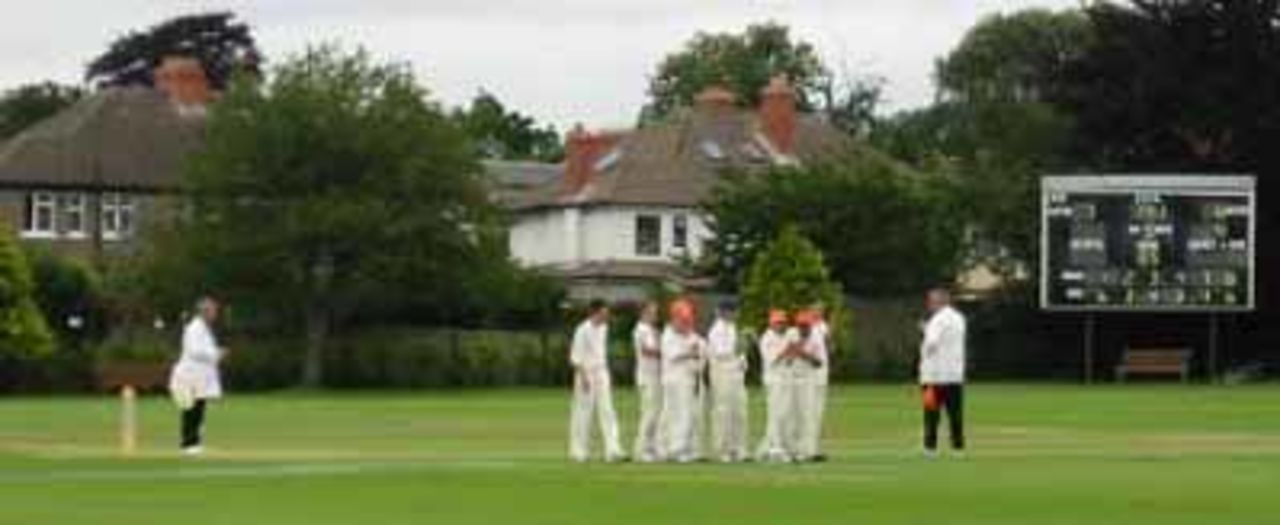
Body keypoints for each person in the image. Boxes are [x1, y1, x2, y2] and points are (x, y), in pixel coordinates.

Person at [168, 296, 229, 456]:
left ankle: (194, 443)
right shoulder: (194, 328)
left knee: (198, 409)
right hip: (189, 376)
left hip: (199, 377)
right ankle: (188, 444)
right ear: (204, 312)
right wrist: (215, 353)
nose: (216, 314)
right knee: (191, 410)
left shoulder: (203, 328)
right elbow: (195, 351)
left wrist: (216, 353)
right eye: (213, 311)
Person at [569, 299, 625, 463]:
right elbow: (575, 357)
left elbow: (600, 353)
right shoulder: (582, 330)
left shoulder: (604, 328)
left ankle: (613, 449)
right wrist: (584, 377)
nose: (605, 317)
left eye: (606, 314)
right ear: (593, 312)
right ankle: (579, 451)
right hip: (585, 373)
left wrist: (605, 375)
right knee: (583, 413)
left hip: (601, 372)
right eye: (602, 314)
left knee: (608, 410)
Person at [919, 288, 967, 457]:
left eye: (931, 301)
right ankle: (958, 447)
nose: (929, 305)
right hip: (954, 374)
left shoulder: (937, 320)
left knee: (931, 412)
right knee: (955, 413)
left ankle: (930, 447)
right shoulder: (960, 318)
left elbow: (932, 342)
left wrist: (925, 331)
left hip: (933, 376)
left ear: (937, 302)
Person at [660, 299, 707, 463]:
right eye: (682, 320)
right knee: (677, 415)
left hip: (690, 380)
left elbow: (701, 357)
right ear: (674, 318)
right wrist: (690, 352)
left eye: (688, 320)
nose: (686, 324)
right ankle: (674, 449)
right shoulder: (667, 335)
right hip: (674, 380)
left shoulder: (694, 337)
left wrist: (694, 357)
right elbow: (673, 356)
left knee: (690, 415)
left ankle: (687, 448)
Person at [707, 300, 748, 462]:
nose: (736, 314)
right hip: (722, 373)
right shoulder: (715, 330)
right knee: (723, 412)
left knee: (739, 411)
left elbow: (740, 353)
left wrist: (743, 360)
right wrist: (740, 345)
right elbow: (722, 353)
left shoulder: (732, 327)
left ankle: (738, 448)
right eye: (733, 311)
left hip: (736, 374)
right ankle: (722, 450)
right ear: (724, 312)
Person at [756, 309, 799, 462]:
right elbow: (772, 360)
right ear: (771, 323)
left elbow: (789, 360)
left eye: (783, 322)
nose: (781, 325)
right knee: (776, 414)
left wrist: (792, 353)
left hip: (786, 379)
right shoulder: (767, 338)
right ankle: (775, 448)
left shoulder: (786, 336)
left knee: (785, 414)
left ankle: (765, 449)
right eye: (778, 323)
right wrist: (787, 350)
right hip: (773, 381)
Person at [794, 310, 829, 462]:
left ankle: (811, 450)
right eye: (801, 326)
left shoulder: (816, 338)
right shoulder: (793, 336)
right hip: (795, 382)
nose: (803, 329)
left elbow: (818, 362)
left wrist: (803, 353)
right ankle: (799, 450)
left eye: (806, 326)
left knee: (813, 416)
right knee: (799, 416)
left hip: (812, 381)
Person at [632, 302, 664, 462]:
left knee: (656, 414)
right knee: (649, 413)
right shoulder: (641, 329)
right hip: (646, 377)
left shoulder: (652, 330)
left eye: (656, 313)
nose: (655, 316)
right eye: (652, 313)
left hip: (656, 376)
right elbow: (647, 350)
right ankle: (641, 449)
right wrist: (666, 350)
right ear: (644, 313)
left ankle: (652, 448)